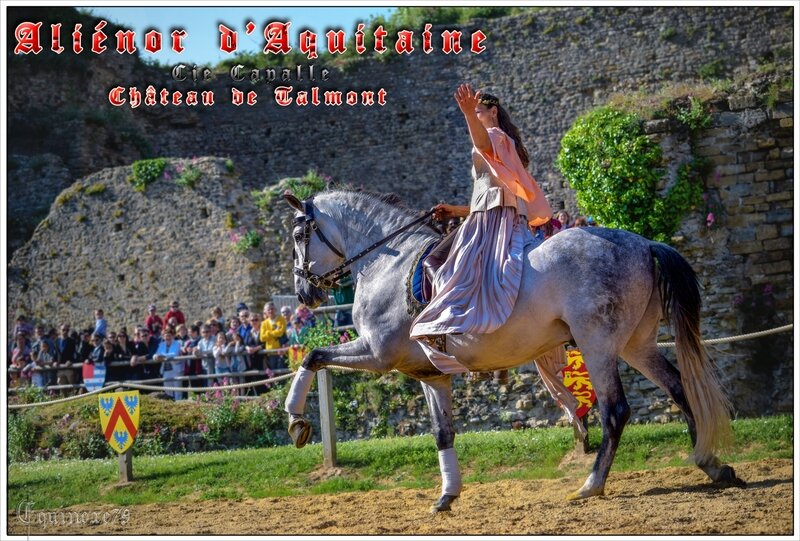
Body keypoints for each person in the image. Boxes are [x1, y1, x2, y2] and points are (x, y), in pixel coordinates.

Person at [409, 84, 552, 375]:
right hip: (490, 213)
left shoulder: (497, 138)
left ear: (492, 112)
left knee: (437, 262)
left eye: (478, 111)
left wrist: (466, 116)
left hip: (491, 220)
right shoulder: (506, 143)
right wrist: (456, 211)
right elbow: (490, 194)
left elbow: (483, 146)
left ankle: (446, 324)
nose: (474, 115)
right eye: (472, 112)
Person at [154, 327, 184, 399]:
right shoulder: (161, 344)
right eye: (166, 336)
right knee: (168, 391)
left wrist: (162, 356)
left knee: (178, 391)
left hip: (176, 370)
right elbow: (156, 354)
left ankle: (179, 407)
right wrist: (156, 357)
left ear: (173, 336)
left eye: (169, 335)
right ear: (163, 337)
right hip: (166, 370)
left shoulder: (178, 343)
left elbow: (174, 354)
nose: (167, 337)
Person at [260, 302, 287, 370]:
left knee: (282, 372)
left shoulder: (281, 319)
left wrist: (268, 333)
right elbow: (262, 338)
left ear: (275, 309)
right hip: (270, 352)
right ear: (265, 311)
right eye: (268, 309)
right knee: (273, 373)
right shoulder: (264, 323)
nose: (270, 311)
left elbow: (280, 332)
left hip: (281, 350)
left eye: (272, 309)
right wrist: (274, 332)